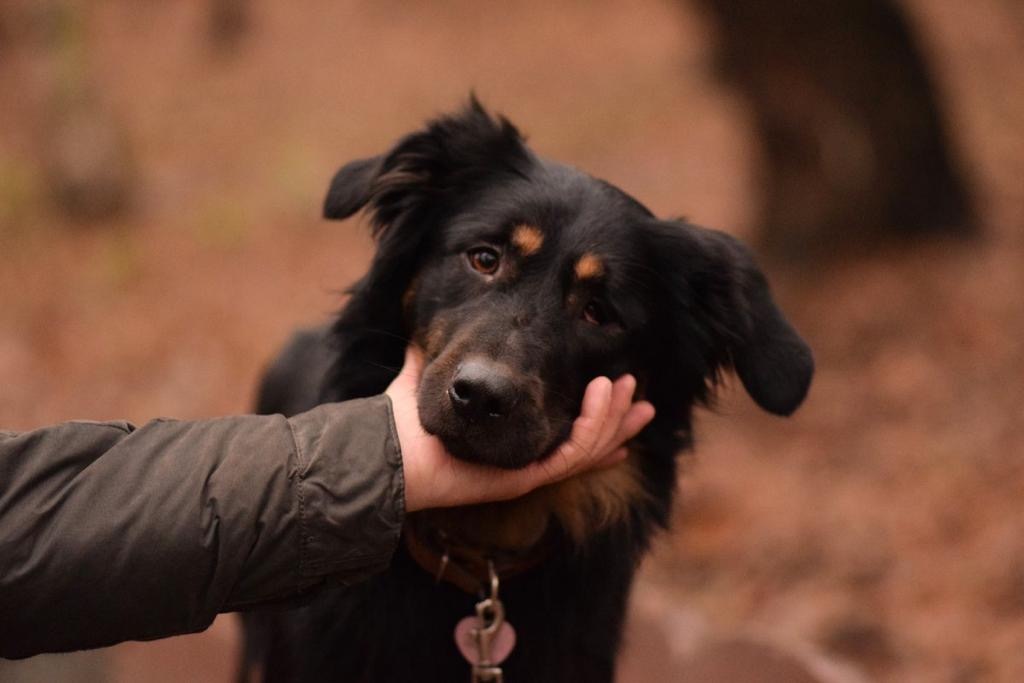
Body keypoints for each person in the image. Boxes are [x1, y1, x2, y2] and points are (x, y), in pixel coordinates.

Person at [0, 346, 654, 659]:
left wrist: (379, 456)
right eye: (484, 260)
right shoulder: (296, 371)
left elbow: (32, 521)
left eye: (597, 314)